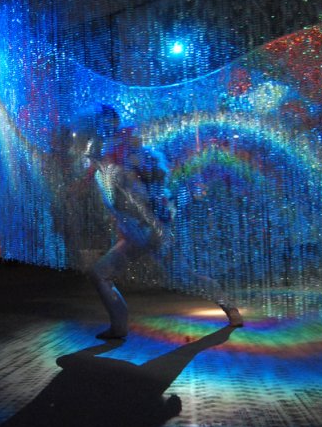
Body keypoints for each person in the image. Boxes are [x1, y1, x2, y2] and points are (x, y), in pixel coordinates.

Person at [81, 105, 242, 339]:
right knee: (100, 274)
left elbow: (148, 190)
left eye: (105, 124)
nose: (102, 130)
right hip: (136, 233)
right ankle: (119, 326)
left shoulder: (128, 152)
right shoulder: (105, 159)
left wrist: (154, 218)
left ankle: (229, 306)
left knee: (184, 277)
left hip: (151, 231)